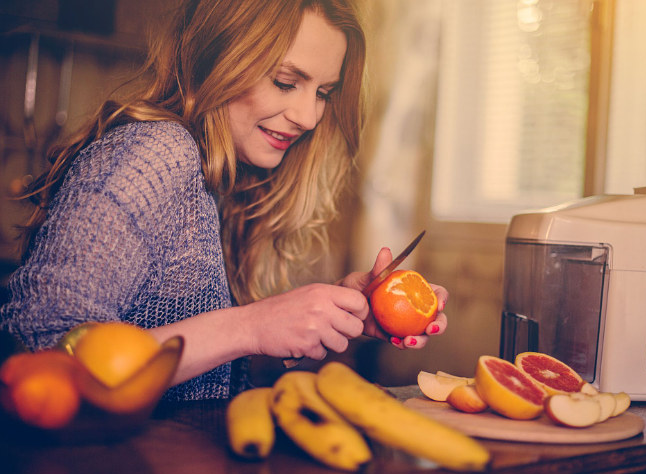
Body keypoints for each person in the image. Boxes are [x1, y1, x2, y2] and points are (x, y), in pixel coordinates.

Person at [0, 0, 449, 401]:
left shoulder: (224, 180)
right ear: (219, 58)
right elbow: (39, 345)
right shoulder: (157, 152)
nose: (309, 116)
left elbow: (199, 383)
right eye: (286, 80)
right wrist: (249, 325)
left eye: (323, 93)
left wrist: (316, 325)